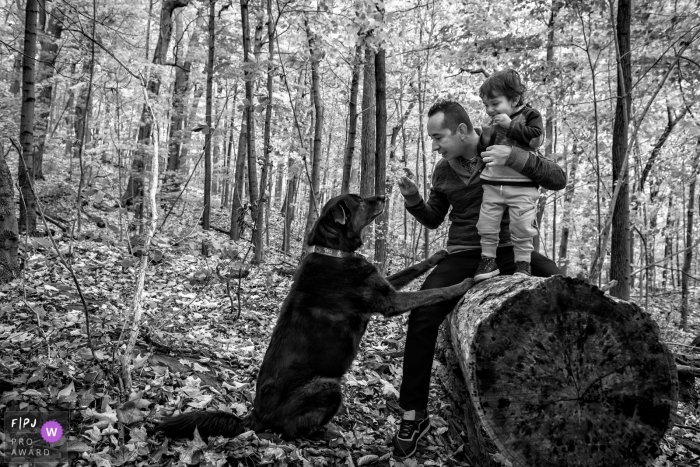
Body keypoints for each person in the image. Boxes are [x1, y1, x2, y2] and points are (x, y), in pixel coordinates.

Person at [391, 99, 565, 458]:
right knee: (423, 314)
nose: (435, 145)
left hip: (508, 248)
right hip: (461, 253)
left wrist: (514, 158)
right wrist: (413, 199)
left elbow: (557, 179)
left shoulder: (503, 142)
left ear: (461, 130)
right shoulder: (443, 170)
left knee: (562, 286)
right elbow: (434, 218)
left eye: (438, 137)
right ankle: (413, 414)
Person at [471, 69, 545, 282]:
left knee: (522, 225)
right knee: (486, 224)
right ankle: (487, 261)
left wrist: (510, 126)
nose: (489, 110)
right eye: (486, 105)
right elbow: (483, 154)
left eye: (494, 103)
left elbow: (535, 141)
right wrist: (485, 136)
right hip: (493, 183)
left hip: (521, 185)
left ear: (514, 99)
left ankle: (523, 264)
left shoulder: (530, 115)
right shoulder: (493, 122)